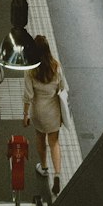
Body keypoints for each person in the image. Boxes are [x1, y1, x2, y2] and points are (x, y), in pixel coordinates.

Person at [23, 34, 68, 196]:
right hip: (53, 110)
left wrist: (25, 114)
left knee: (40, 139)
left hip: (38, 112)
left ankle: (44, 168)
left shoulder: (30, 70)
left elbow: (28, 95)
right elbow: (62, 87)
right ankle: (57, 174)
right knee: (54, 142)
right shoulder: (56, 66)